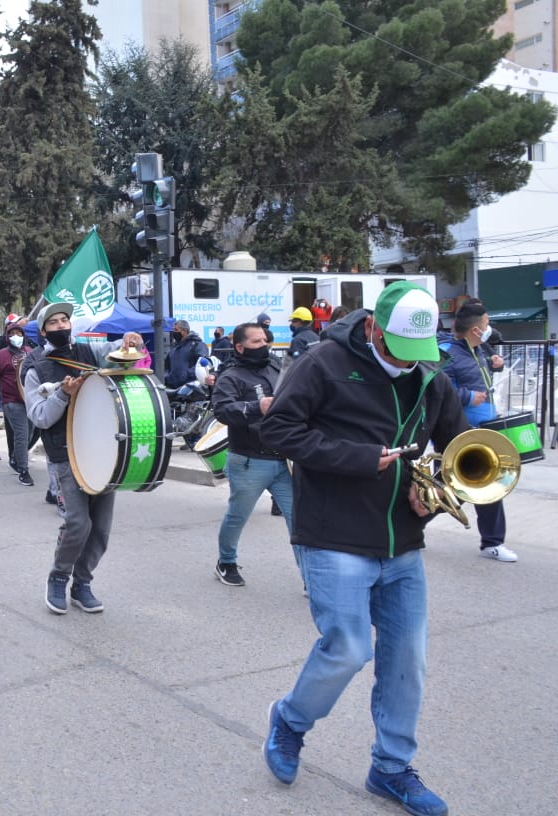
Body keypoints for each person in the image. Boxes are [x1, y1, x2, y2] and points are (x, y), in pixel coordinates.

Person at [259, 282, 467, 815]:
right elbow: (279, 430)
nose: (409, 362)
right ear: (374, 327)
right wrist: (355, 457)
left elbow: (456, 449)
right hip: (334, 535)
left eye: (418, 353)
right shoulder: (322, 362)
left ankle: (391, 768)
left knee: (408, 661)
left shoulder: (430, 374)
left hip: (403, 541)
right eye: (399, 348)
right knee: (348, 648)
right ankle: (289, 721)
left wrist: (437, 497)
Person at [22, 302, 144, 615]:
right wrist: (63, 394)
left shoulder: (89, 351)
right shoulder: (34, 366)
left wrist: (130, 340)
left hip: (103, 450)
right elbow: (40, 418)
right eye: (54, 322)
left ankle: (83, 583)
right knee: (78, 523)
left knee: (101, 528)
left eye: (65, 320)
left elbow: (119, 348)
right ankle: (58, 576)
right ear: (43, 329)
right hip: (65, 454)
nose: (62, 325)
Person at [210, 323, 295, 588]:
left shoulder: (276, 367)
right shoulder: (231, 376)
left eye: (265, 340)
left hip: (285, 460)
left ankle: (312, 576)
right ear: (240, 346)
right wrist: (256, 406)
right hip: (249, 460)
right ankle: (226, 562)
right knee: (237, 516)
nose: (264, 345)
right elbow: (222, 411)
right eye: (257, 342)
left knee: (300, 520)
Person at [439, 302, 515, 562]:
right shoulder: (446, 352)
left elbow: (482, 374)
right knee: (446, 487)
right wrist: (468, 397)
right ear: (474, 329)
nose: (488, 328)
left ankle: (492, 542)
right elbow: (440, 390)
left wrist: (496, 365)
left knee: (488, 484)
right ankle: (410, 525)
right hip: (460, 430)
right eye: (485, 324)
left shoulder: (479, 348)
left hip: (484, 429)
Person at [0, 322, 34, 486]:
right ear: (7, 336)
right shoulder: (1, 355)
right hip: (11, 401)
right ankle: (23, 470)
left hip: (29, 400)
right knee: (22, 434)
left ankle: (15, 458)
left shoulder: (29, 352)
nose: (16, 337)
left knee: (31, 434)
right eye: (13, 333)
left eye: (19, 334)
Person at [163, 319, 210, 388]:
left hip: (190, 388)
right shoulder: (174, 347)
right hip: (172, 387)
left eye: (176, 330)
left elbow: (202, 365)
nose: (174, 332)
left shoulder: (197, 345)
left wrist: (187, 375)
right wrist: (167, 377)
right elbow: (167, 366)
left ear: (184, 331)